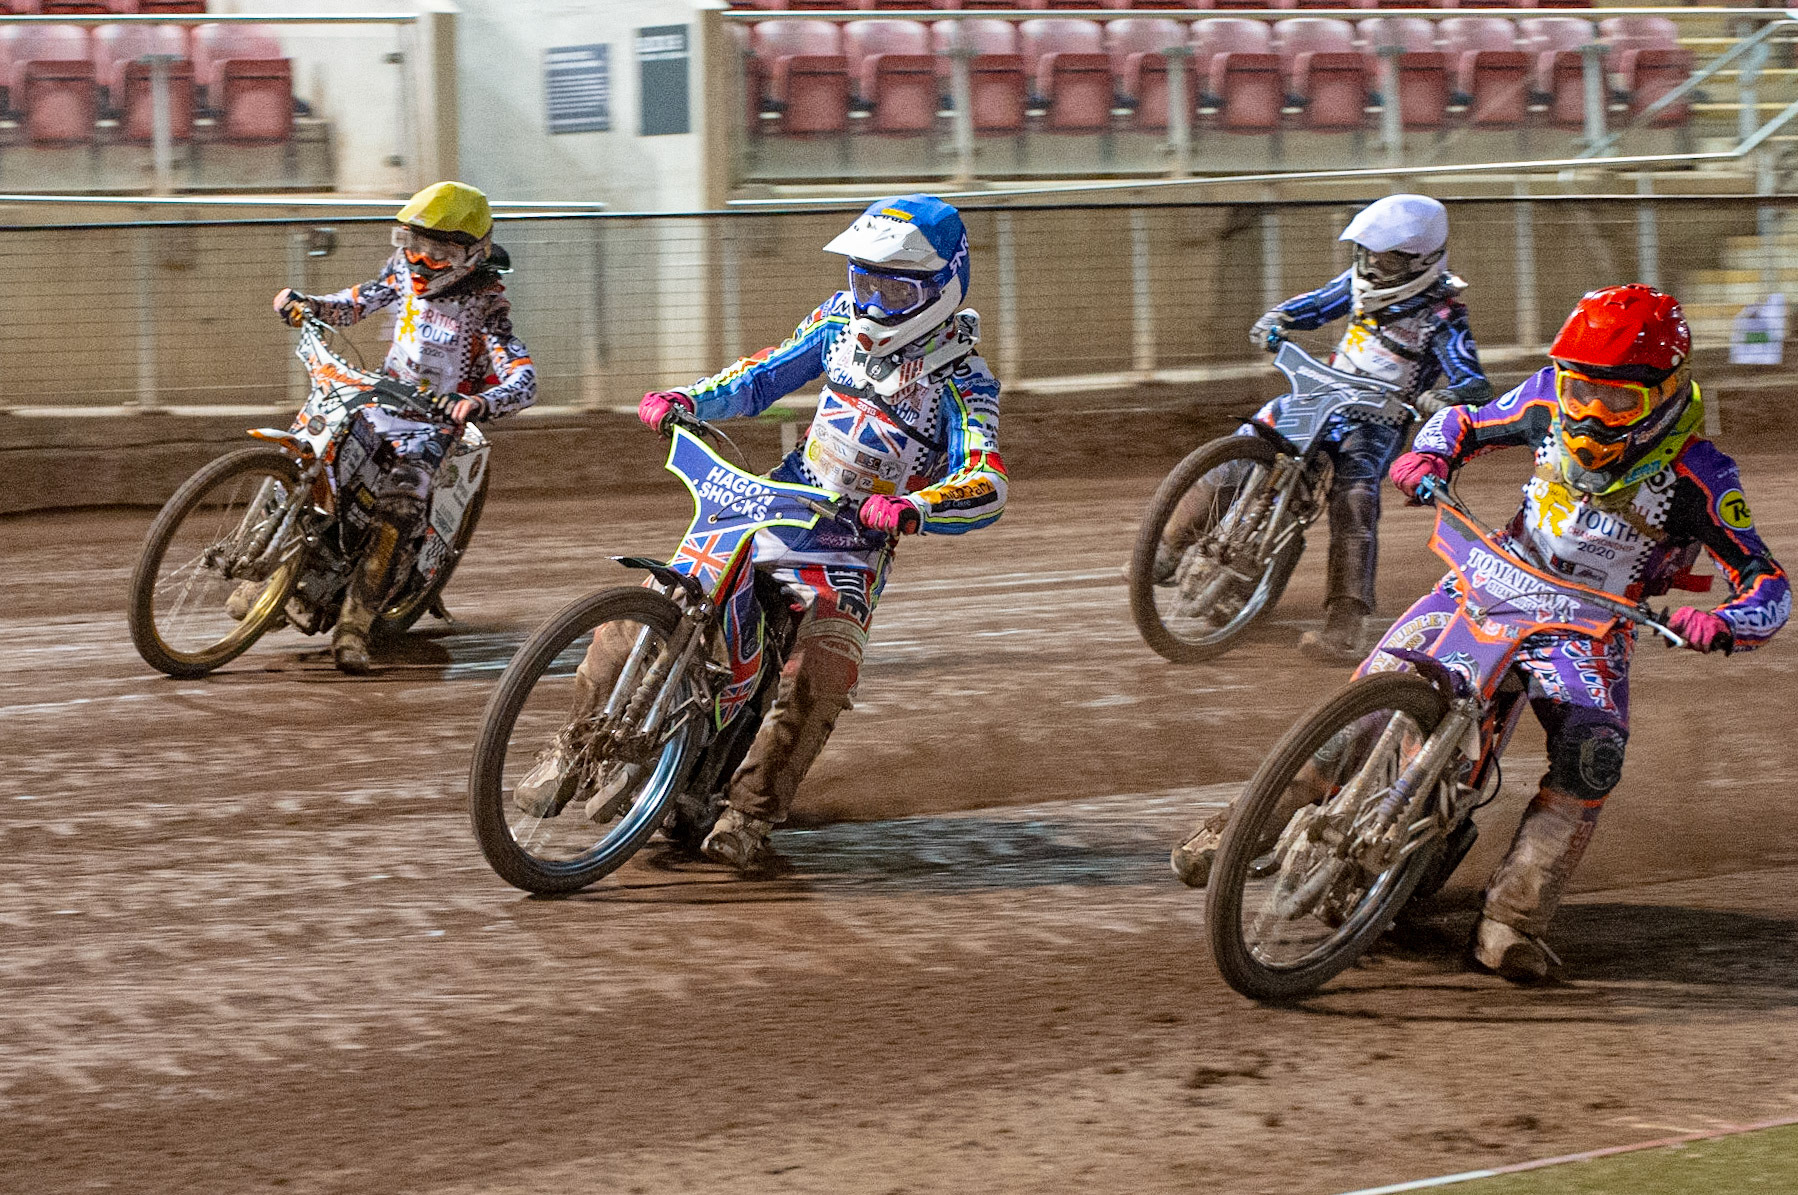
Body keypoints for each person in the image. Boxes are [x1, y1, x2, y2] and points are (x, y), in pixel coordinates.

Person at [1173, 285, 1789, 980]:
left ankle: (1510, 920)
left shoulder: (1701, 475)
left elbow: (1769, 583)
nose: (1592, 411)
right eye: (1582, 389)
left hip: (1588, 626)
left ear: (1669, 391)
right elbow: (1463, 421)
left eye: (1620, 401)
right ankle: (1236, 827)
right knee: (1374, 699)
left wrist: (1726, 621)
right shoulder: (1545, 400)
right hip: (1491, 574)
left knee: (1594, 753)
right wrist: (1430, 456)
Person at [518, 193, 1007, 874]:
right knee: (644, 604)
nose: (870, 298)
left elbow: (986, 478)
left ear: (940, 287)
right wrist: (689, 398)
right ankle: (572, 746)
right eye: (861, 278)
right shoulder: (837, 322)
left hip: (851, 539)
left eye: (892, 285)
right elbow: (761, 377)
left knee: (825, 665)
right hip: (778, 493)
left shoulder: (964, 378)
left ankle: (750, 810)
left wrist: (915, 507)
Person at [1156, 194, 1491, 663]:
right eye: (1369, 254)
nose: (1374, 265)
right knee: (1246, 446)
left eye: (1388, 258)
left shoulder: (1444, 315)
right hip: (1319, 395)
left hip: (1377, 419)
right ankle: (1165, 547)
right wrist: (1278, 320)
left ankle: (1346, 621)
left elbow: (1472, 380)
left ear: (1422, 261)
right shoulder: (1358, 284)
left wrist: (1451, 396)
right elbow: (1314, 306)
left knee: (1354, 499)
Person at [270, 181, 536, 674]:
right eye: (413, 244)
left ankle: (355, 623)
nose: (422, 260)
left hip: (432, 426)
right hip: (377, 401)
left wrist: (478, 401)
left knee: (398, 509)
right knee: (317, 459)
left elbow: (524, 380)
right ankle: (276, 573)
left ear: (473, 255)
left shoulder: (487, 305)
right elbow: (354, 303)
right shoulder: (399, 271)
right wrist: (306, 304)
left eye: (440, 252)